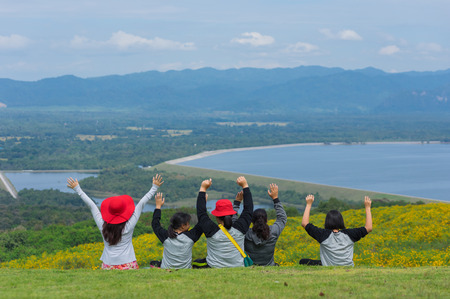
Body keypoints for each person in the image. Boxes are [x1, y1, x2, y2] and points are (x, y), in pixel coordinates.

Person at [67, 174, 163, 270]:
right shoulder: (128, 226)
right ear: (124, 211)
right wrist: (154, 188)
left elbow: (92, 206)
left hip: (108, 265)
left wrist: (77, 189)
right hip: (128, 264)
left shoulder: (103, 226)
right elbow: (141, 204)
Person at [193, 176, 253, 268]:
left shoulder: (211, 231)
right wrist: (245, 185)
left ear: (216, 216)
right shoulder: (240, 229)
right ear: (232, 214)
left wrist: (203, 189)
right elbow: (248, 209)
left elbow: (201, 213)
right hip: (238, 266)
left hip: (214, 266)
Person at [299, 194, 372, 266]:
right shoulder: (350, 234)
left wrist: (309, 204)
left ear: (327, 221)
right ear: (341, 221)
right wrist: (367, 207)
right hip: (347, 266)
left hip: (329, 265)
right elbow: (369, 228)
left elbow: (305, 223)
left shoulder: (323, 234)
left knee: (303, 261)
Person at [234, 183, 287, 266]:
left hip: (250, 266)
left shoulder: (245, 233)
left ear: (252, 221)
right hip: (269, 266)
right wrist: (275, 198)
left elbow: (234, 222)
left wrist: (237, 203)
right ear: (266, 219)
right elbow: (282, 218)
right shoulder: (273, 232)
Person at [151, 192, 203, 269]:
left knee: (153, 263)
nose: (189, 226)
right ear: (183, 226)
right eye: (188, 224)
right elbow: (202, 221)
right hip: (185, 269)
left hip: (166, 268)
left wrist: (158, 206)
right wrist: (202, 202)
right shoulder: (191, 237)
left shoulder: (166, 236)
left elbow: (155, 224)